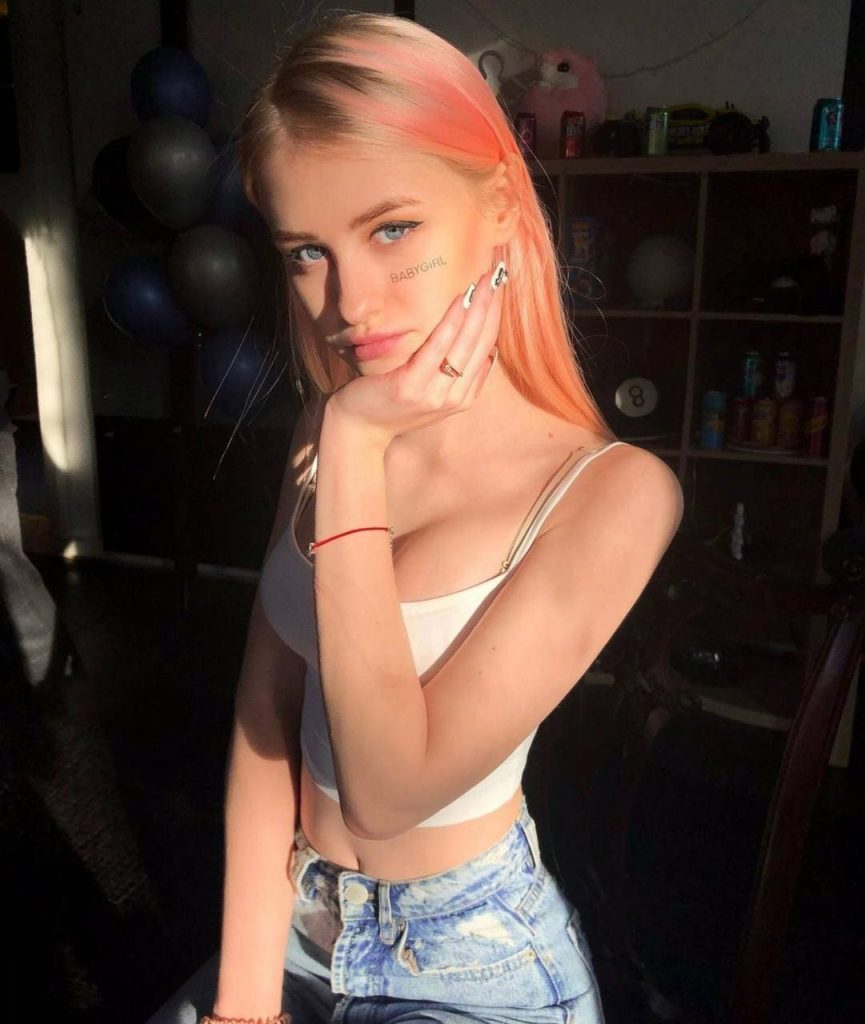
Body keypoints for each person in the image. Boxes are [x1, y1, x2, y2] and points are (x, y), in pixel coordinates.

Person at [145, 11, 683, 1024]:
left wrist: (353, 450)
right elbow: (265, 719)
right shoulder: (324, 422)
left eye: (392, 229)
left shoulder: (613, 494)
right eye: (307, 252)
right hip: (296, 925)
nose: (349, 303)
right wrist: (245, 1007)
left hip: (472, 967)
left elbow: (389, 790)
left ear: (498, 208)